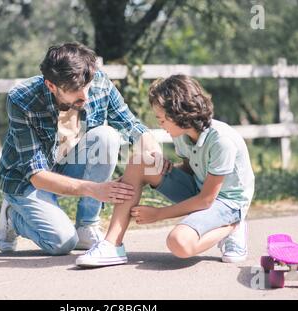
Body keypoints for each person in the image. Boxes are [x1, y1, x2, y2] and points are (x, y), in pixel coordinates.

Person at [0, 42, 161, 255]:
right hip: (26, 179)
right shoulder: (22, 99)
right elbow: (37, 176)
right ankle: (13, 217)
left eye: (87, 86)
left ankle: (87, 225)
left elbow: (132, 127)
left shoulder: (98, 82)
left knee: (107, 136)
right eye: (75, 90)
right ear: (51, 86)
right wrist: (94, 189)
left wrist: (154, 154)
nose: (86, 96)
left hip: (68, 165)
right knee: (61, 243)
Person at [76, 74, 255, 267]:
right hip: (200, 188)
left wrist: (158, 214)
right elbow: (191, 169)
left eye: (162, 119)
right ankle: (112, 245)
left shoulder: (221, 141)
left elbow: (206, 200)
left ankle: (232, 227)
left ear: (179, 114)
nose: (160, 124)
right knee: (140, 162)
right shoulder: (183, 133)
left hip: (227, 202)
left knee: (178, 243)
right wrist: (143, 176)